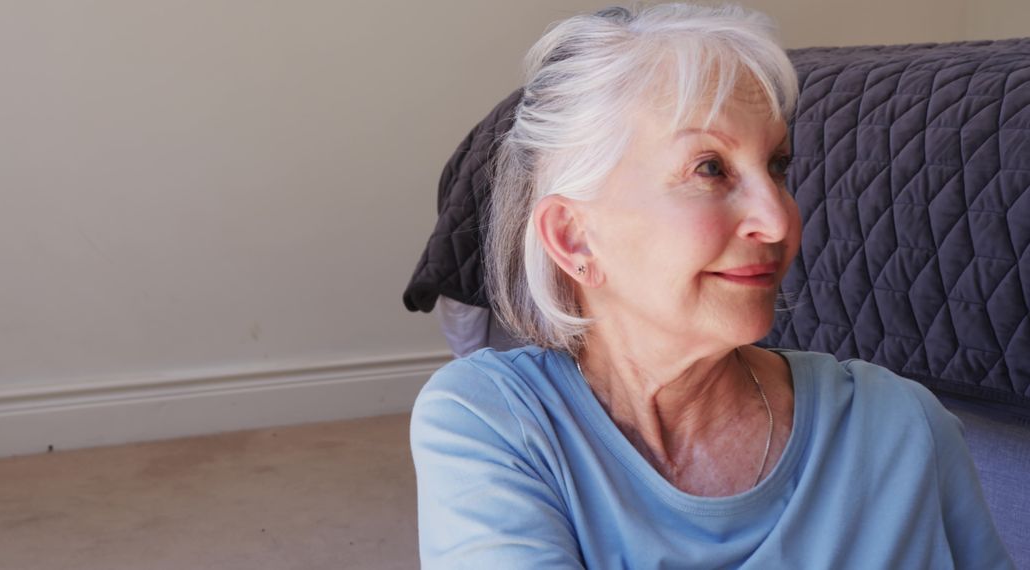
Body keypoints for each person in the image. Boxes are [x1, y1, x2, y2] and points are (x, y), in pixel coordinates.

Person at [409, 4, 1013, 568]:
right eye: (710, 168)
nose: (778, 220)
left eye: (778, 166)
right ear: (573, 238)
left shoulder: (900, 426)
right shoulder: (489, 422)